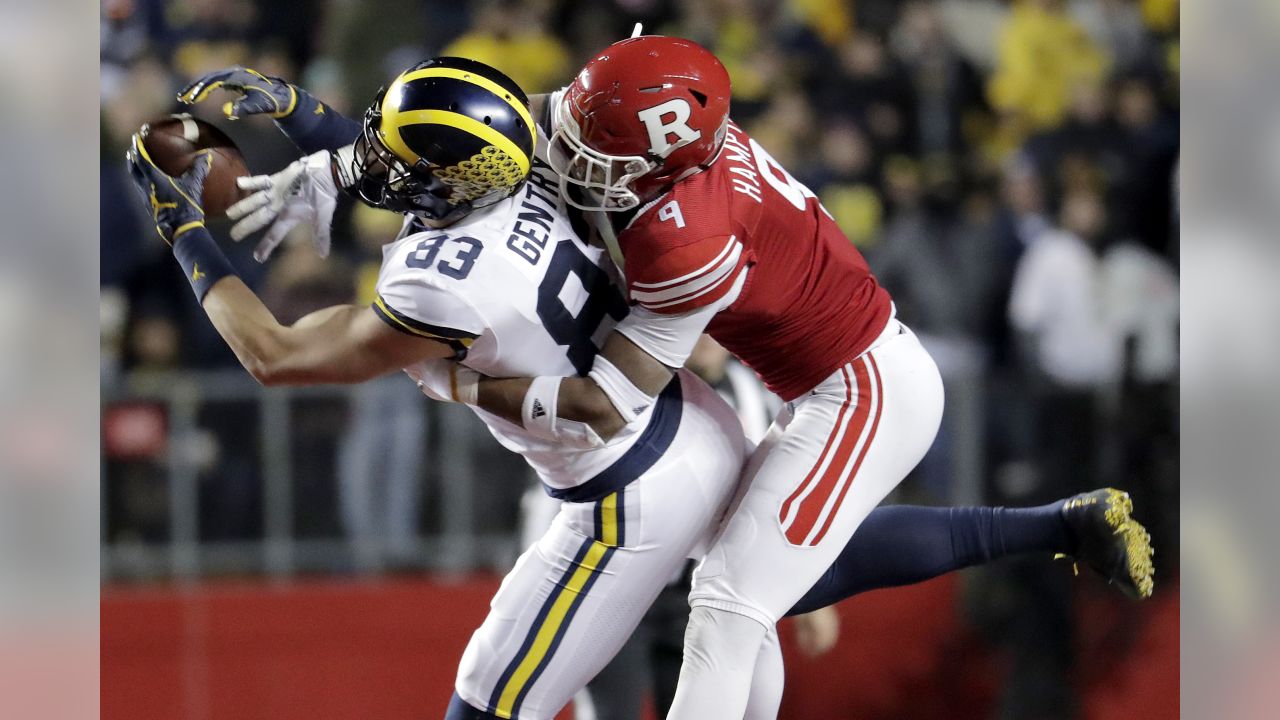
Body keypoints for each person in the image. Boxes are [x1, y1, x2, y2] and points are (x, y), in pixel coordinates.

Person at [177, 56, 1154, 720]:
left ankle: (1046, 527)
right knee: (765, 593)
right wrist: (331, 145)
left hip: (831, 390)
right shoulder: (616, 132)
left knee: (729, 602)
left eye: (598, 154)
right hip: (735, 393)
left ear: (658, 166)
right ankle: (1053, 524)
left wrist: (458, 384)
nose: (571, 153)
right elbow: (493, 139)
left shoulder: (684, 237)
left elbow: (605, 399)